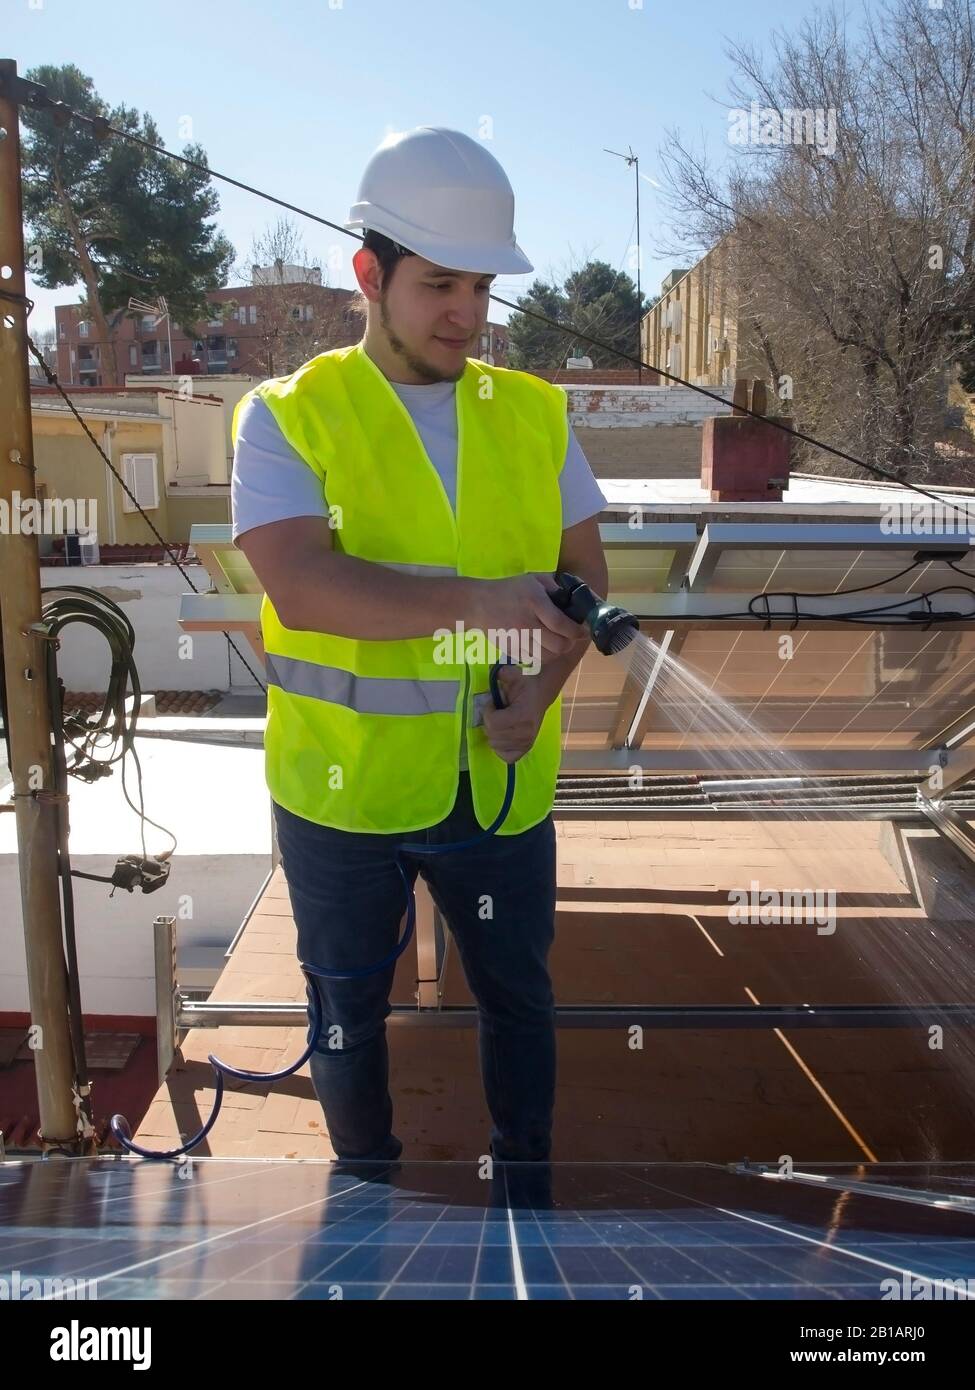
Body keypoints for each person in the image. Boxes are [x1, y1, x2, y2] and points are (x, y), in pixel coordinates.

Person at [231, 126, 609, 1164]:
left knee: (518, 998)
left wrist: (538, 697)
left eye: (481, 287)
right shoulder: (288, 416)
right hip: (343, 795)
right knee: (347, 1011)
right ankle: (366, 1182)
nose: (467, 314)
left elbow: (584, 583)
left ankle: (523, 1174)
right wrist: (482, 602)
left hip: (497, 787)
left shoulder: (534, 413)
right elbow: (302, 585)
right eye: (439, 283)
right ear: (370, 274)